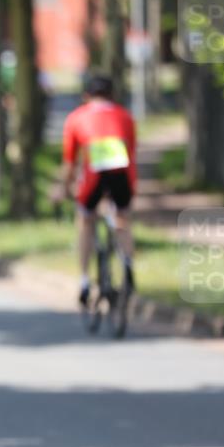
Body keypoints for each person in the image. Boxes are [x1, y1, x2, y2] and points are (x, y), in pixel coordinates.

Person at [55, 73, 138, 306]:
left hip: (94, 177)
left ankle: (83, 280)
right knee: (122, 218)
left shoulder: (76, 118)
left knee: (85, 220)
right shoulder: (125, 116)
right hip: (122, 174)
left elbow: (70, 163)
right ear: (113, 95)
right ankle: (128, 266)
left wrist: (63, 189)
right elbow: (131, 152)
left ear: (86, 96)